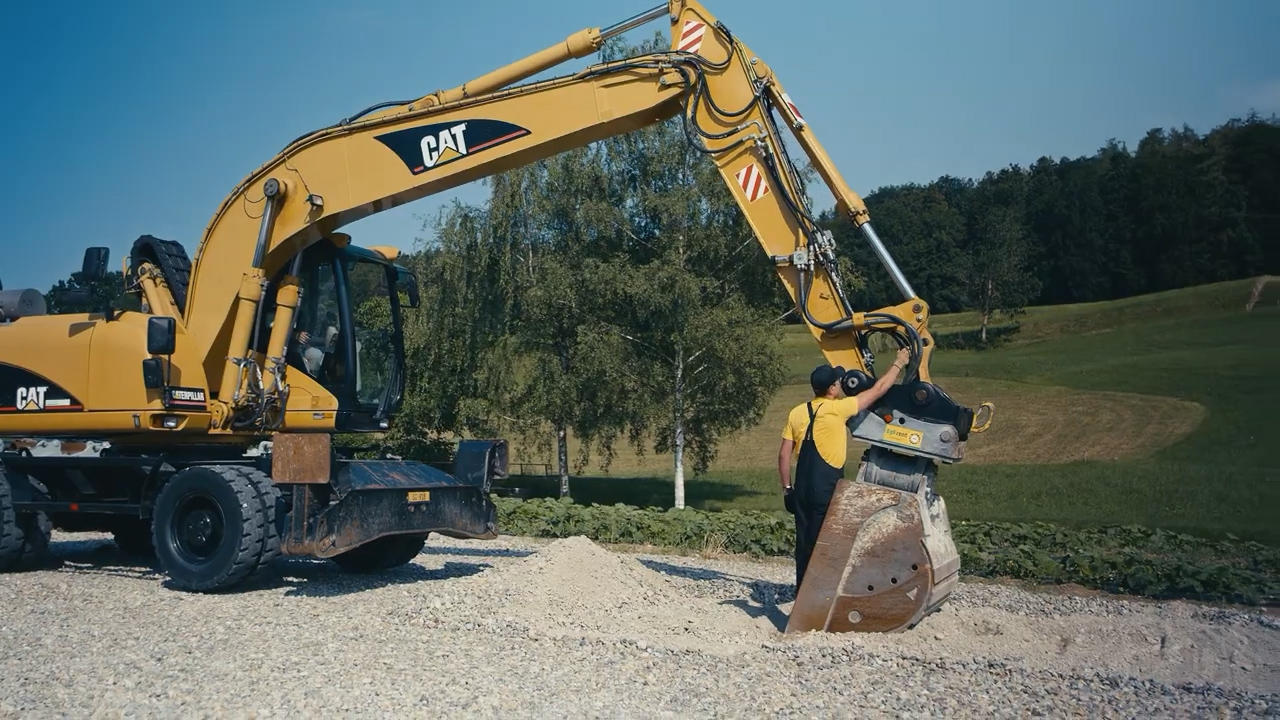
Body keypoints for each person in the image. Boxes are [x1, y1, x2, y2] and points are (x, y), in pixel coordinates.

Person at [778, 347, 911, 590]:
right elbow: (879, 389)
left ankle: (802, 595)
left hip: (801, 488)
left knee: (804, 544)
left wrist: (788, 489)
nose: (840, 385)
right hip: (825, 488)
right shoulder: (838, 409)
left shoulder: (797, 412)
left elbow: (784, 454)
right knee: (824, 544)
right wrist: (898, 363)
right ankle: (818, 600)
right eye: (838, 383)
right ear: (831, 389)